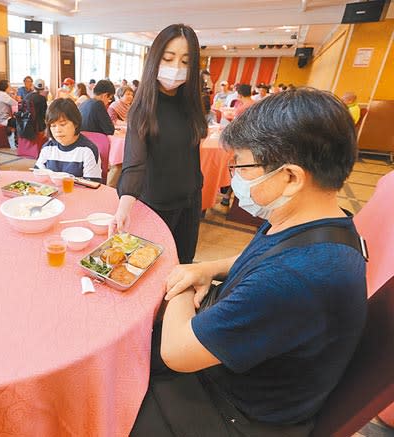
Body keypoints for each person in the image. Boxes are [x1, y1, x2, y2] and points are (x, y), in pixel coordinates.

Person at [131, 88, 367, 437]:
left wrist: (180, 278)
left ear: (290, 177)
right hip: (255, 373)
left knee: (117, 388)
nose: (235, 176)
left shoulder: (295, 278)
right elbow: (262, 255)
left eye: (242, 164)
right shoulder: (318, 223)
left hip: (239, 413)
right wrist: (207, 268)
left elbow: (177, 353)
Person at [112, 24, 208, 264]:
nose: (176, 68)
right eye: (169, 58)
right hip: (157, 203)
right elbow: (134, 163)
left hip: (190, 200)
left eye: (186, 62)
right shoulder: (143, 108)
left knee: (183, 261)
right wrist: (124, 207)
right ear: (155, 59)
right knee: (154, 265)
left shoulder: (192, 103)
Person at [34, 98, 102, 182]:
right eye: (53, 126)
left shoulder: (87, 150)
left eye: (62, 124)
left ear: (76, 123)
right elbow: (38, 174)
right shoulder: (48, 148)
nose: (58, 130)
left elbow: (92, 184)